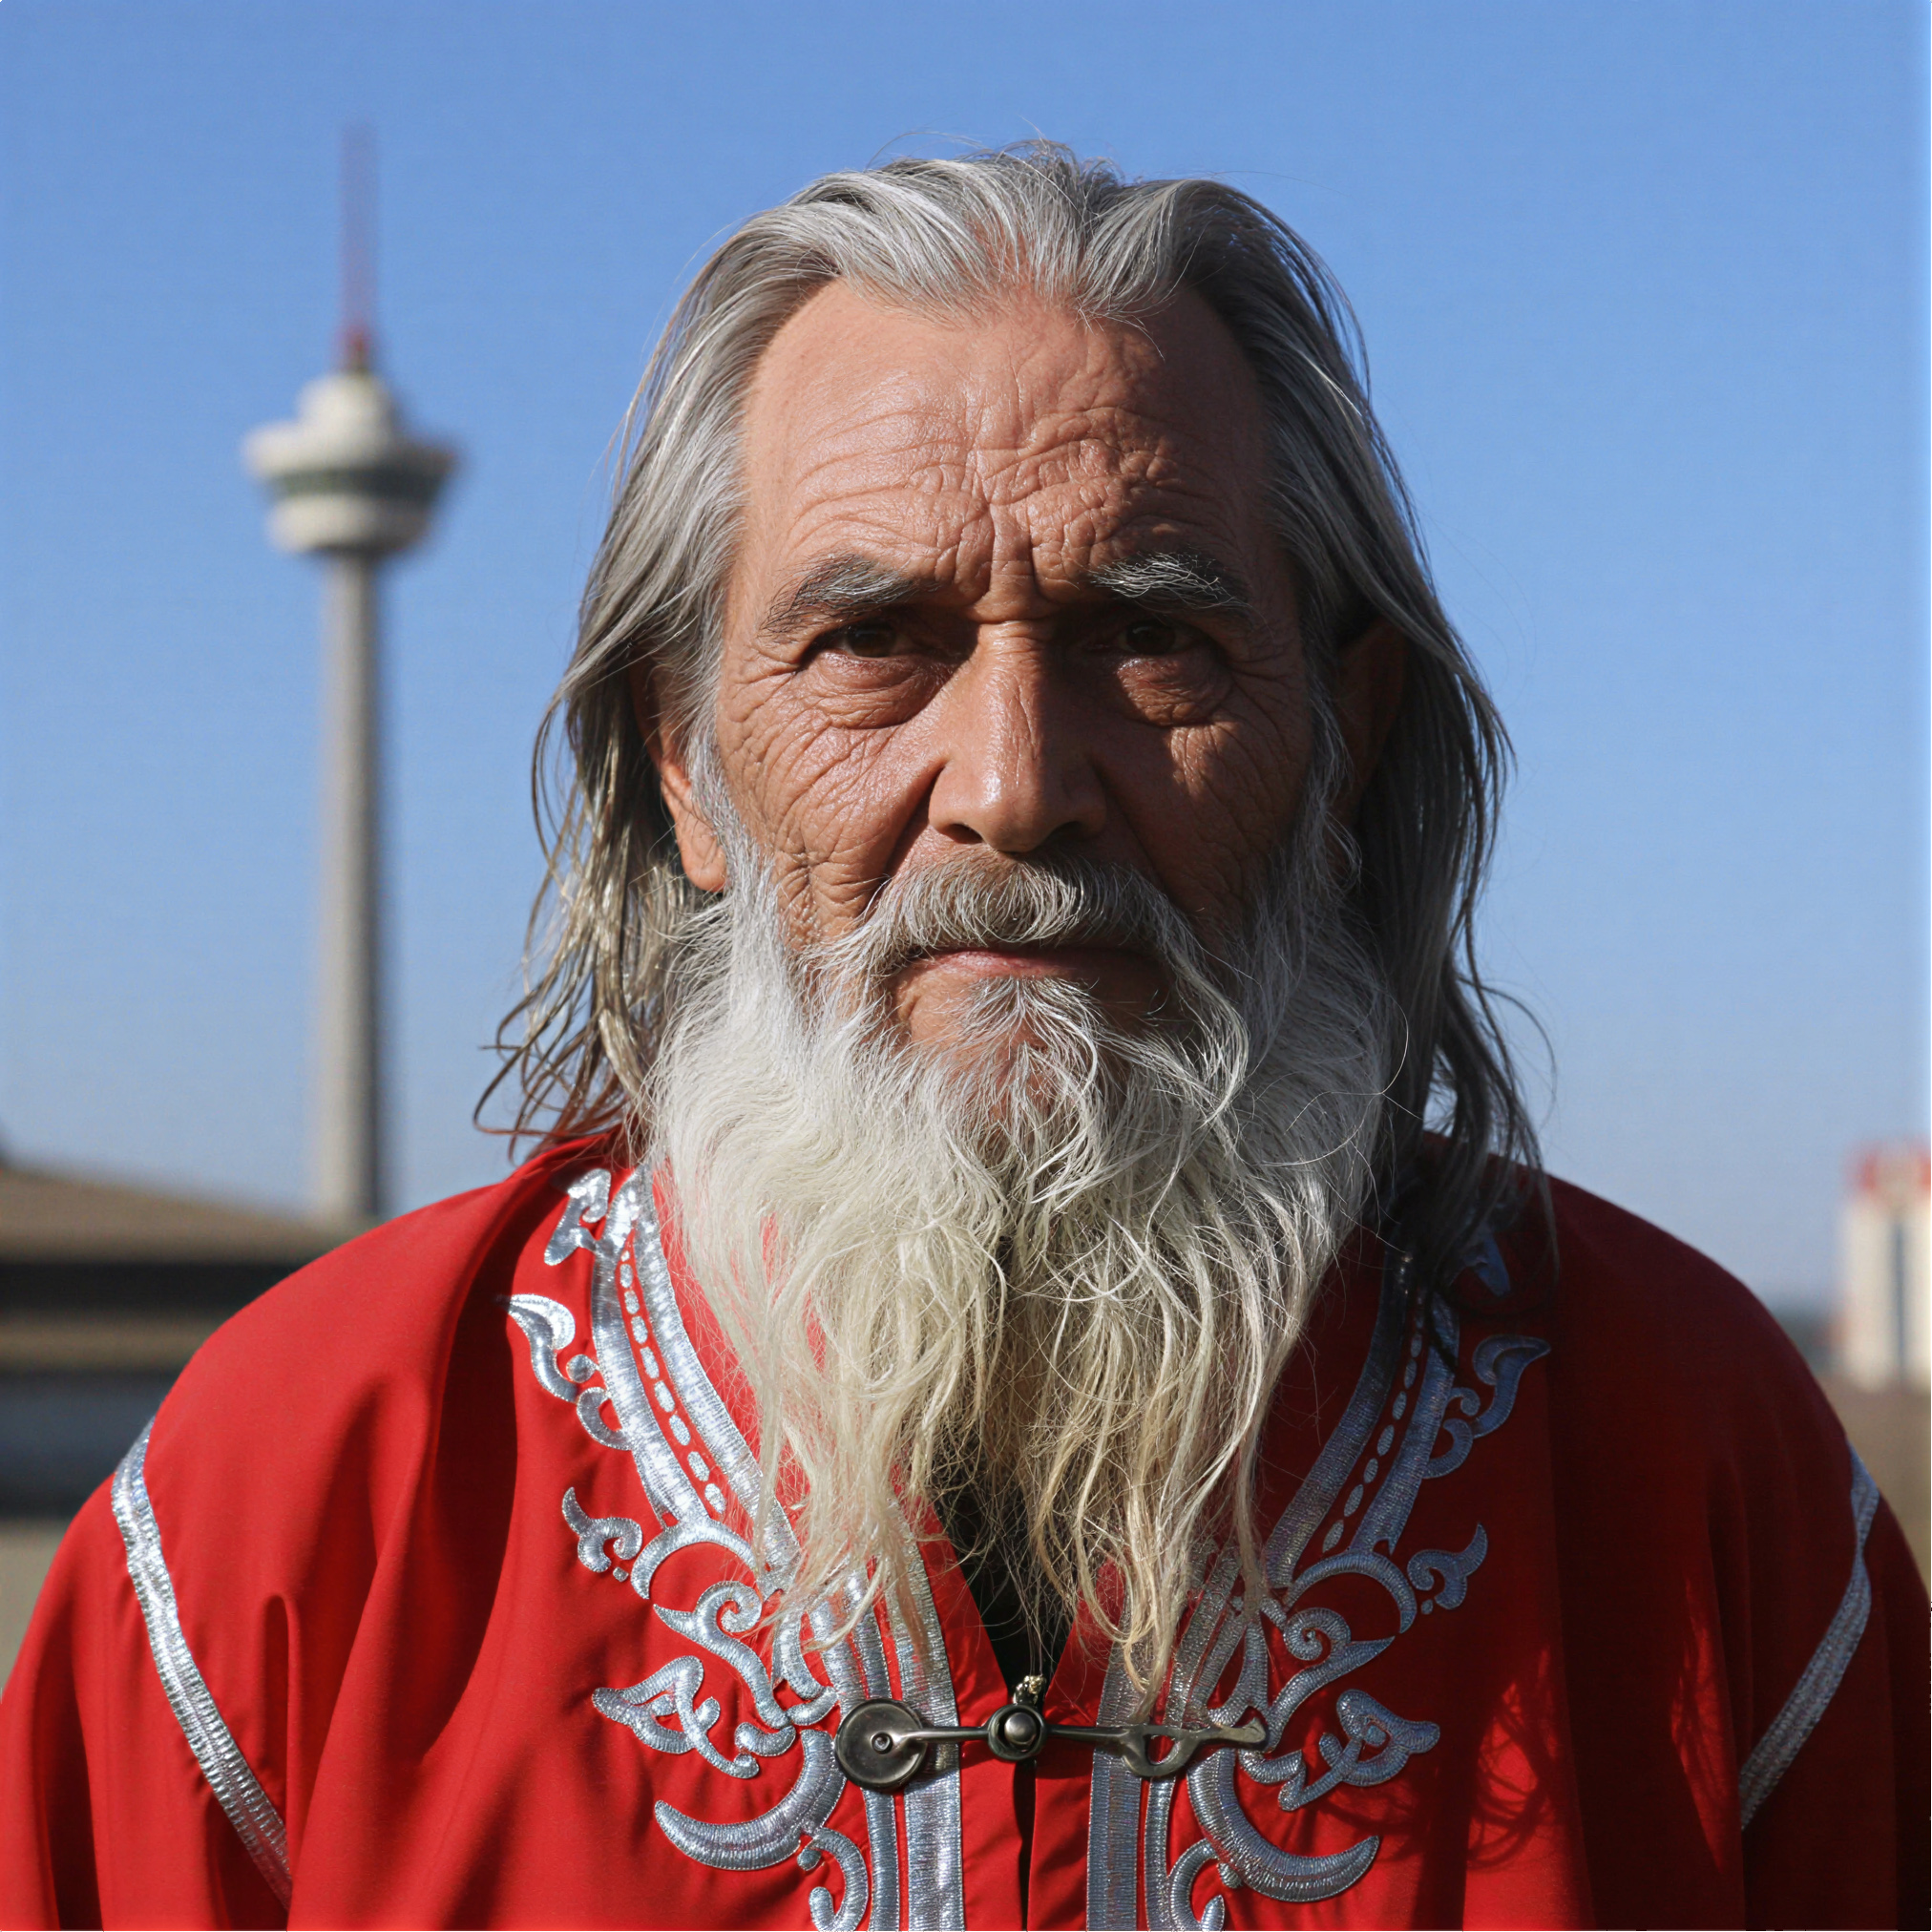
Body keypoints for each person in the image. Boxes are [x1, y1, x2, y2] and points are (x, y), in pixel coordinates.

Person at [0, 145, 1922, 1932]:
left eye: (1151, 636)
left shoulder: (1683, 1462)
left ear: (1347, 739)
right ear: (682, 759)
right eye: (873, 642)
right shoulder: (303, 1502)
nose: (1012, 784)